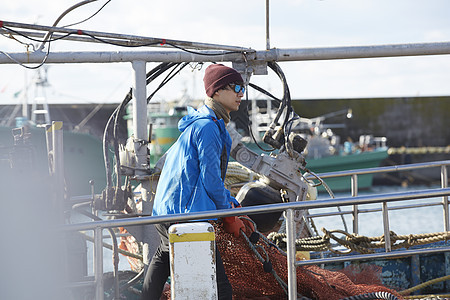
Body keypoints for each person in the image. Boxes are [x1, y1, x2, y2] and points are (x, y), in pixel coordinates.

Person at [141, 64, 253, 300]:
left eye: (242, 88)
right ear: (216, 91)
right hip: (185, 215)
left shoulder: (204, 124)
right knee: (221, 288)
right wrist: (229, 215)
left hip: (168, 210)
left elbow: (202, 178)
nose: (241, 93)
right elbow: (211, 181)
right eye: (236, 87)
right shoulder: (208, 128)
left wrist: (230, 203)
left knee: (162, 258)